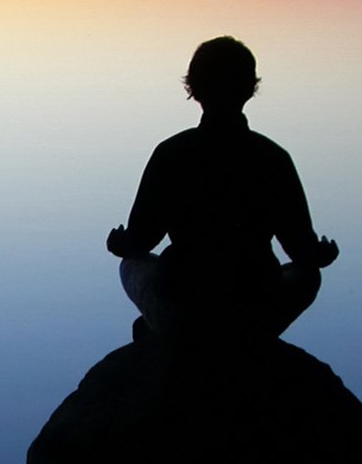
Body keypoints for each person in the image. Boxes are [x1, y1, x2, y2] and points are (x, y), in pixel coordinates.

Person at [106, 37, 338, 341]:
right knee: (307, 277)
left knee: (132, 265)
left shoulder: (171, 153)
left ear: (194, 88)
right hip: (255, 307)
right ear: (250, 89)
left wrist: (119, 244)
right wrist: (322, 254)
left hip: (184, 306)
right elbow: (301, 250)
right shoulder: (273, 158)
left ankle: (163, 330)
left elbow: (141, 241)